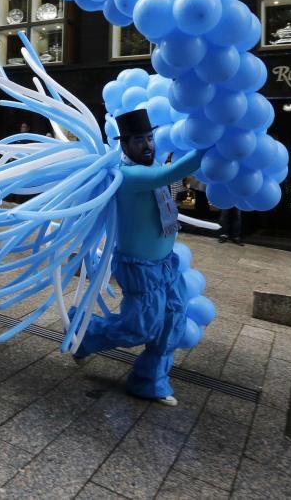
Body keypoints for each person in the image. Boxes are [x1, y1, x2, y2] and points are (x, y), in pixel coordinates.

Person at [73, 108, 205, 406]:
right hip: (139, 267)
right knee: (139, 327)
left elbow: (169, 184)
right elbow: (169, 174)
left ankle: (150, 381)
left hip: (166, 263)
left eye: (150, 137)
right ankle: (84, 332)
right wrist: (210, 145)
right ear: (125, 145)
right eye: (139, 140)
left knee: (173, 321)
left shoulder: (150, 167)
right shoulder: (129, 175)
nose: (147, 144)